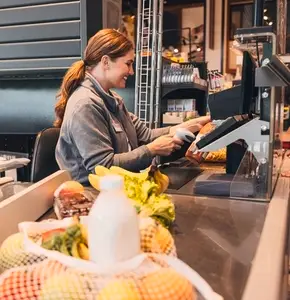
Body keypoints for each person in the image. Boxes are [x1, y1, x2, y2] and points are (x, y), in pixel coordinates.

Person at [54, 29, 210, 184]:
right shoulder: (86, 105)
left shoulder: (113, 99)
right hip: (92, 195)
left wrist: (197, 123)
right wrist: (152, 150)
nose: (132, 71)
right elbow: (102, 166)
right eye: (128, 64)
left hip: (120, 187)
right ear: (106, 62)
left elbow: (146, 135)